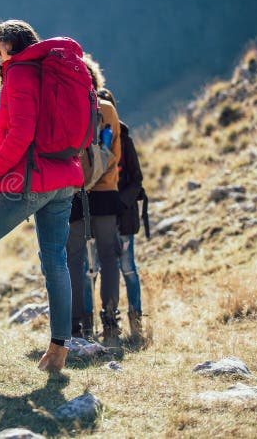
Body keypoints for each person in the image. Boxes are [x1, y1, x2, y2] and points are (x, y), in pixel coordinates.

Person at [0, 20, 85, 372]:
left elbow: (22, 132)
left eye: (1, 51)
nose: (0, 59)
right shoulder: (53, 71)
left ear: (14, 46)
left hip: (29, 181)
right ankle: (58, 350)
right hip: (64, 178)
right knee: (55, 262)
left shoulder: (20, 74)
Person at [66, 54, 125, 341]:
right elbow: (115, 154)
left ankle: (77, 323)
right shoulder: (107, 110)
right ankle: (110, 319)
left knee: (73, 259)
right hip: (105, 192)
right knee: (108, 257)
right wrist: (100, 176)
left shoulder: (66, 108)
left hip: (73, 192)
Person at [97, 87, 145, 338]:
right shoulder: (94, 142)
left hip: (123, 217)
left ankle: (136, 319)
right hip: (102, 216)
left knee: (128, 268)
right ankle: (104, 322)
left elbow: (137, 179)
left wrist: (119, 202)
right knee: (96, 270)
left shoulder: (124, 139)